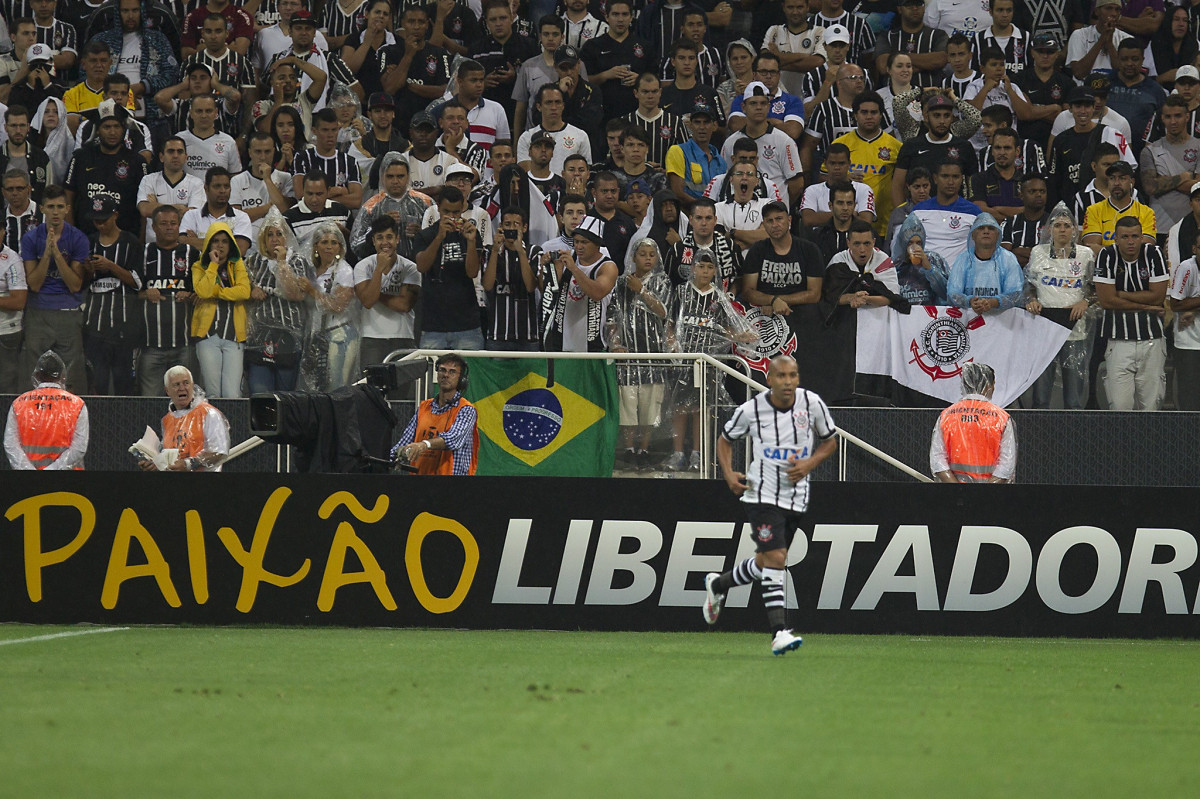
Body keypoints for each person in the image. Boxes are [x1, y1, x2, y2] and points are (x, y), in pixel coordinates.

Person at [707, 353, 838, 656]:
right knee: (777, 558)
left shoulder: (812, 404)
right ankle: (779, 632)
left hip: (796, 496)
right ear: (769, 379)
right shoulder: (751, 410)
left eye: (793, 375)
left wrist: (810, 463)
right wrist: (728, 474)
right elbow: (725, 440)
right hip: (761, 494)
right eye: (781, 376)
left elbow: (830, 440)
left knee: (767, 562)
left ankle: (719, 585)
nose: (788, 382)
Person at [1024, 201, 1097, 409]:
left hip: (1075, 329)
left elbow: (1096, 288)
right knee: (1040, 397)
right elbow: (1029, 283)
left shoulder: (1085, 254)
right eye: (1057, 225)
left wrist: (1085, 301)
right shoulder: (1038, 252)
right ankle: (1039, 437)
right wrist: (1031, 299)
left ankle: (1073, 438)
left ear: (1074, 230)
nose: (1062, 229)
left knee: (1074, 399)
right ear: (1050, 229)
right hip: (1044, 329)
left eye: (1067, 225)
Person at [606, 237, 670, 470]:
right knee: (628, 409)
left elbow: (663, 312)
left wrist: (642, 290)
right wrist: (615, 343)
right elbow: (612, 317)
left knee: (649, 408)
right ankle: (629, 451)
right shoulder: (622, 283)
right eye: (642, 254)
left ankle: (644, 450)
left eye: (652, 254)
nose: (647, 258)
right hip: (628, 357)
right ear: (633, 257)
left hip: (653, 356)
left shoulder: (662, 281)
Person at [1094, 214, 1169, 410]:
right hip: (1118, 341)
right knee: (1120, 406)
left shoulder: (1154, 253)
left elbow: (1158, 297)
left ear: (1142, 237)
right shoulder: (1106, 255)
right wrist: (1146, 306)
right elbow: (1106, 301)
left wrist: (1121, 294)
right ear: (1116, 239)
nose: (1130, 242)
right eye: (1125, 237)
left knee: (1151, 406)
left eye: (1135, 236)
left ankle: (1149, 442)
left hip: (1152, 339)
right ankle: (1122, 442)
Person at [20, 183, 89, 392]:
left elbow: (75, 284)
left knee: (71, 374)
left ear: (67, 209)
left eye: (60, 206)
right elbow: (34, 283)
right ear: (41, 209)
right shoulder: (31, 238)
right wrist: (47, 254)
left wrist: (57, 253)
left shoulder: (78, 238)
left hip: (68, 311)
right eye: (50, 207)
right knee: (33, 372)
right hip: (38, 310)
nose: (55, 212)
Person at [244, 211, 313, 394]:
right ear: (263, 238)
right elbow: (241, 289)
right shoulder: (252, 261)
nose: (275, 239)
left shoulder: (298, 261)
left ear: (287, 237)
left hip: (288, 338)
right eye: (270, 234)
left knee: (286, 396)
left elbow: (296, 294)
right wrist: (251, 291)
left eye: (279, 234)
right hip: (258, 337)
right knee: (260, 394)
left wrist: (282, 263)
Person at [135, 205, 199, 397]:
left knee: (186, 402)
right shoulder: (143, 252)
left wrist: (190, 294)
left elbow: (202, 292)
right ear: (153, 227)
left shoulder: (191, 253)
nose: (169, 227)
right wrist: (146, 293)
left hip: (184, 344)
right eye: (163, 223)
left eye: (173, 223)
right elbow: (132, 292)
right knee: (149, 402)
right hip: (150, 346)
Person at [82, 196, 141, 395]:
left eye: (104, 220)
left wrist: (110, 266)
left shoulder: (130, 242)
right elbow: (82, 283)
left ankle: (124, 424)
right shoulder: (88, 242)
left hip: (123, 327)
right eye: (96, 220)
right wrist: (88, 270)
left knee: (123, 383)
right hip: (95, 325)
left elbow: (138, 282)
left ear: (115, 215)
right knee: (97, 383)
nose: (99, 225)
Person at [390, 352, 479, 475]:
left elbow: (453, 439)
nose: (446, 375)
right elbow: (405, 441)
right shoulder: (424, 407)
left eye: (452, 372)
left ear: (461, 379)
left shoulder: (466, 410)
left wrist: (424, 444)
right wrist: (392, 456)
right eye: (442, 370)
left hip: (453, 484)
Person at [191, 222, 251, 398]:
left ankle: (232, 426)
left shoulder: (238, 264)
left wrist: (216, 292)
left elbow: (244, 291)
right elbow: (202, 291)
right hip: (208, 336)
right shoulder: (199, 266)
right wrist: (213, 265)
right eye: (215, 241)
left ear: (230, 244)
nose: (220, 245)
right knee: (212, 393)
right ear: (209, 244)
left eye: (224, 241)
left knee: (232, 394)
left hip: (234, 337)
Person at [929, 362, 1016, 483]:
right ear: (988, 386)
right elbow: (1007, 464)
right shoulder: (1002, 418)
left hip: (955, 495)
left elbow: (937, 459)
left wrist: (957, 489)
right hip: (991, 496)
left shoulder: (947, 415)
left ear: (964, 384)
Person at [543, 214, 618, 351]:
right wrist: (546, 269)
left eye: (584, 242)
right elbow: (546, 291)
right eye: (576, 242)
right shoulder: (565, 258)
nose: (579, 246)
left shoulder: (607, 266)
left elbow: (597, 293)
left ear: (597, 244)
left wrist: (573, 268)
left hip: (593, 345)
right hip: (561, 343)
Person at [4, 350, 88, 470]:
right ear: (61, 375)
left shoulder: (19, 403)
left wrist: (29, 470)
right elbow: (79, 448)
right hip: (68, 481)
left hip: (27, 481)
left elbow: (11, 445)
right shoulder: (77, 404)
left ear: (37, 375)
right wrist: (51, 471)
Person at [834, 91, 901, 237]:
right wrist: (844, 178)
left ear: (881, 115)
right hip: (846, 224)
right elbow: (823, 178)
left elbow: (901, 184)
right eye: (864, 112)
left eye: (874, 112)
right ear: (855, 115)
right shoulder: (840, 144)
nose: (869, 116)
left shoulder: (895, 146)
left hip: (883, 224)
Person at [140, 364, 230, 472]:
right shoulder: (167, 420)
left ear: (192, 385)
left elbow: (219, 452)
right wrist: (155, 464)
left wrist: (189, 464)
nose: (182, 388)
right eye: (176, 385)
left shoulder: (209, 414)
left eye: (186, 383)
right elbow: (168, 458)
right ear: (167, 391)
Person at [1139, 95, 1200, 236]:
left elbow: (1197, 188)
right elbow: (1150, 187)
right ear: (1162, 118)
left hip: (1192, 226)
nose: (1173, 121)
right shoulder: (1149, 151)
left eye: (1178, 116)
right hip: (1159, 227)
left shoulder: (1198, 146)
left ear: (1187, 117)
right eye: (1168, 116)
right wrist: (1185, 176)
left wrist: (1162, 180)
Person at [483, 206, 541, 351]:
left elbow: (530, 286)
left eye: (516, 224)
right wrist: (496, 250)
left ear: (525, 227)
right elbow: (488, 285)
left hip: (528, 334)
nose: (512, 228)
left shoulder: (534, 251)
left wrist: (521, 252)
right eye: (507, 224)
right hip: (498, 334)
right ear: (501, 226)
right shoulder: (490, 251)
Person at [947, 212, 1025, 313]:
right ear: (973, 235)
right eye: (981, 228)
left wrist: (994, 302)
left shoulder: (1008, 258)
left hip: (1002, 320)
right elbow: (953, 293)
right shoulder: (963, 258)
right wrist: (970, 301)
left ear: (998, 235)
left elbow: (1015, 294)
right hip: (969, 318)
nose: (986, 231)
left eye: (991, 228)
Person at [910, 158, 981, 267]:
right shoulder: (918, 211)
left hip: (958, 278)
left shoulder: (973, 212)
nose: (950, 182)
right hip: (922, 276)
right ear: (935, 178)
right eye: (945, 176)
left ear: (961, 179)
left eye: (955, 177)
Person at [138, 137, 206, 245]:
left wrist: (156, 206)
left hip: (183, 247)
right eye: (170, 151)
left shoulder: (196, 183)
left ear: (185, 157)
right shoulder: (148, 180)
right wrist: (180, 208)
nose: (175, 155)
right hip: (153, 245)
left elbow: (192, 215)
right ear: (161, 157)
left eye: (180, 152)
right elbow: (145, 210)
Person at [1082, 161, 1156, 254]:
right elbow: (1091, 249)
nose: (1116, 183)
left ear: (1131, 182)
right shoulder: (1093, 210)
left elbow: (1145, 249)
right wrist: (1128, 249)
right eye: (1112, 178)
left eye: (1122, 178)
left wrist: (1102, 248)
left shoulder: (1146, 212)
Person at [181, 167, 254, 257]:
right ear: (206, 188)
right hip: (197, 269)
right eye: (217, 186)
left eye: (226, 186)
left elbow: (239, 250)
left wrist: (197, 241)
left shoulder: (241, 217)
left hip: (230, 270)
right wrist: (228, 244)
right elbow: (183, 243)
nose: (222, 191)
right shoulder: (191, 215)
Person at [1167, 231, 1200, 410]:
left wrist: (1193, 307)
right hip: (1188, 342)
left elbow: (1185, 303)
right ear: (1195, 249)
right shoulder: (1186, 267)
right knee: (1189, 398)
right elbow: (1176, 304)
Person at [891, 212, 950, 306]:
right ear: (903, 243)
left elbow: (947, 294)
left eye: (918, 243)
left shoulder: (934, 259)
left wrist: (929, 269)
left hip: (930, 316)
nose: (914, 247)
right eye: (910, 243)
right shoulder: (895, 265)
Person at [1000, 173, 1050, 267]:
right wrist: (1039, 254)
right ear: (1021, 195)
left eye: (1042, 191)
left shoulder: (1054, 223)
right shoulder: (1009, 222)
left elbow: (1056, 257)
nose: (1038, 194)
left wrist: (1017, 251)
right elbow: (1004, 257)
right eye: (1032, 191)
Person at [0, 228, 26, 393]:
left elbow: (19, 301)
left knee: (5, 388)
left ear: (3, 231)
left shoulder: (12, 259)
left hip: (6, 333)